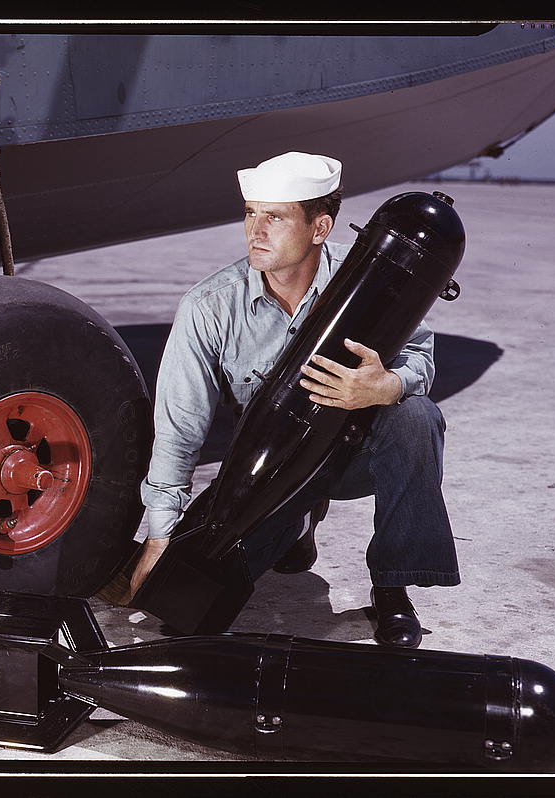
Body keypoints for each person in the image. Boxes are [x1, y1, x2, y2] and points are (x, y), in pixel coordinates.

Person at [128, 151, 460, 648]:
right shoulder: (210, 307)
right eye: (250, 214)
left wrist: (385, 386)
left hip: (354, 449)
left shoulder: (370, 281)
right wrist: (159, 537)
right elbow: (179, 427)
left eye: (275, 217)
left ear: (320, 227)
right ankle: (298, 525)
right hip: (273, 465)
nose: (255, 231)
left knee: (415, 416)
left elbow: (421, 358)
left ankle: (392, 588)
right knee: (186, 614)